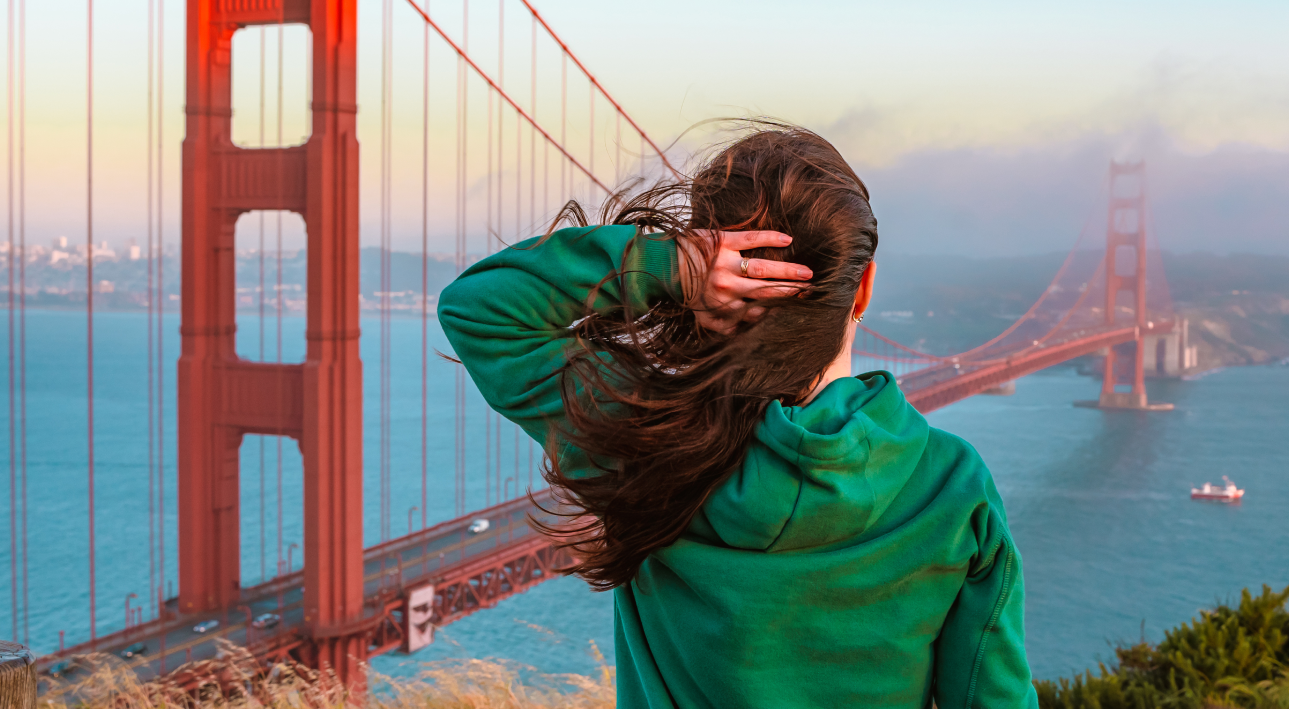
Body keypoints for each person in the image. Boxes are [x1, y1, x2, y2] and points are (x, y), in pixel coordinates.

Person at [439, 124, 1035, 708]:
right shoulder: (955, 487)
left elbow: (479, 310)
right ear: (863, 290)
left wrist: (668, 267)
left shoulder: (643, 441)